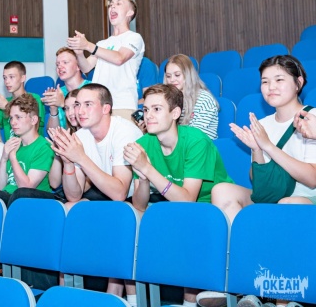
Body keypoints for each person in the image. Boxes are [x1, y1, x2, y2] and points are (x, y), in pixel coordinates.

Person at [124, 84, 232, 307]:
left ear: (175, 113)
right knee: (130, 218)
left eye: (157, 109)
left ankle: (189, 303)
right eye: (146, 110)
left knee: (188, 222)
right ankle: (134, 301)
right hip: (172, 205)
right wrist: (143, 177)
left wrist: (148, 169)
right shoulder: (143, 144)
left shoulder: (195, 140)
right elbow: (140, 204)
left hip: (212, 205)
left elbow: (188, 200)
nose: (148, 115)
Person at [49, 83, 142, 298]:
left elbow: (119, 193)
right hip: (104, 195)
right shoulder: (81, 135)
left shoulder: (125, 132)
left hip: (136, 197)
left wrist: (81, 157)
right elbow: (74, 194)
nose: (80, 111)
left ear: (106, 108)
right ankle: (68, 292)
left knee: (118, 213)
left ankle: (116, 295)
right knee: (69, 208)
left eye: (88, 105)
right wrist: (68, 162)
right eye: (78, 104)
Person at [212, 55, 316, 222]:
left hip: (306, 198)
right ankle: (243, 238)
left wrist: (268, 146)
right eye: (265, 82)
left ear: (299, 82)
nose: (271, 87)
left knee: (288, 203)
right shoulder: (262, 124)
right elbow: (258, 182)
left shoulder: (312, 118)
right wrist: (257, 150)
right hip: (273, 196)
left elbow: (312, 179)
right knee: (221, 191)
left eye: (279, 80)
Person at [67, 0, 144, 122]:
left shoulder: (134, 38)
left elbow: (119, 58)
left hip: (122, 104)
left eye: (118, 3)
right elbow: (86, 67)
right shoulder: (102, 44)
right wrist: (79, 53)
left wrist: (89, 45)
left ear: (130, 12)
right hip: (99, 106)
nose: (112, 7)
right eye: (111, 4)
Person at [0, 94, 54, 207]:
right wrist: (4, 158)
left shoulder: (43, 147)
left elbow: (26, 188)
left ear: (33, 120)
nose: (13, 122)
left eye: (18, 117)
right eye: (11, 118)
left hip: (31, 201)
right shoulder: (13, 144)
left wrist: (13, 158)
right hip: (9, 195)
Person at [163, 54, 219, 139]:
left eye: (177, 75)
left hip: (200, 145)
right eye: (168, 76)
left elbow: (196, 136)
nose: (172, 80)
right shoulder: (167, 99)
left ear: (188, 75)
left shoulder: (203, 99)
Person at [0, 61, 45, 140]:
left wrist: (7, 107)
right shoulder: (3, 102)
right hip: (11, 146)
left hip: (32, 146)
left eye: (11, 77)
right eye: (5, 78)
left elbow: (36, 126)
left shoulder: (35, 98)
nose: (7, 81)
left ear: (22, 78)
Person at [43, 47, 90, 131]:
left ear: (78, 66)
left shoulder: (92, 89)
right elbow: (53, 133)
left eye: (65, 62)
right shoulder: (59, 93)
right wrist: (53, 109)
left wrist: (63, 104)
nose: (59, 67)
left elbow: (89, 128)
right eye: (57, 64)